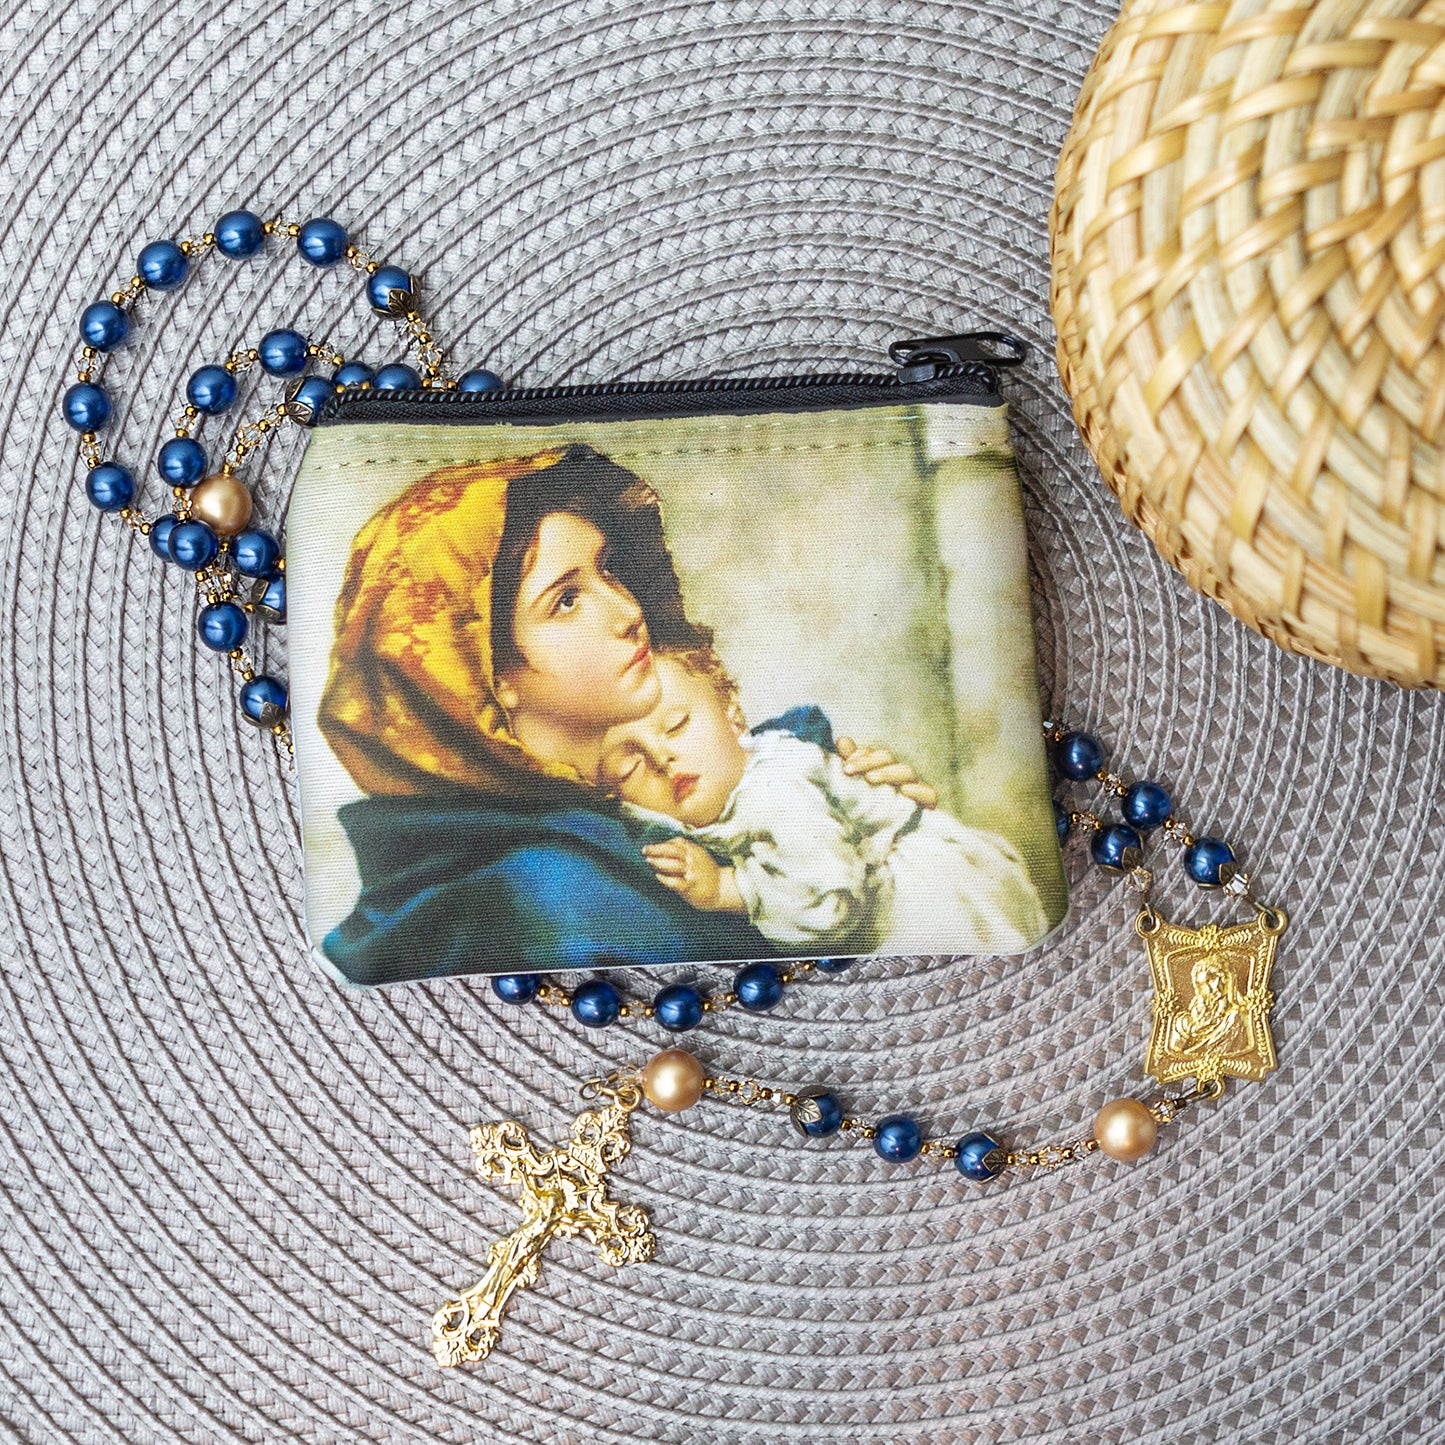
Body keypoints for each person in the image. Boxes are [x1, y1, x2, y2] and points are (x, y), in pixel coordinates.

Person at [314, 443, 935, 983]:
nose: (628, 611)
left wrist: (876, 819)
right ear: (482, 674)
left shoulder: (655, 794)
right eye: (566, 600)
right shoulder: (552, 891)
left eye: (608, 570)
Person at [596, 646, 1051, 953]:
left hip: (924, 901)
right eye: (630, 768)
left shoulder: (774, 788)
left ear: (734, 718)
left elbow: (832, 906)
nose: (661, 758)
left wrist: (727, 888)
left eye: (676, 725)